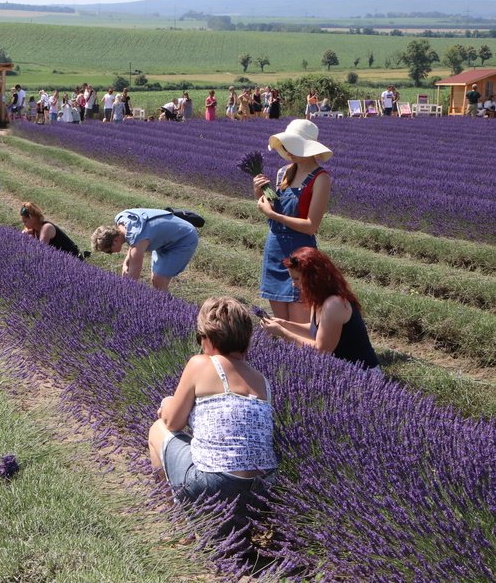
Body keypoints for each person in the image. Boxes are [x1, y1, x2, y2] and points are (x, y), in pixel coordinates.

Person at [147, 297, 277, 517]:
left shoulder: (200, 363)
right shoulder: (262, 381)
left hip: (213, 485)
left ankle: (179, 523)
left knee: (157, 429)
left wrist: (167, 403)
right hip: (261, 491)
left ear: (208, 337)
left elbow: (173, 422)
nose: (200, 344)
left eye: (200, 337)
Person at [253, 119, 332, 323]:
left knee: (298, 325)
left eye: (292, 145)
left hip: (300, 254)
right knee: (281, 325)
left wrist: (273, 215)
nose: (287, 150)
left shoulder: (320, 178)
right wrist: (258, 194)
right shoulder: (283, 172)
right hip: (275, 249)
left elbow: (311, 226)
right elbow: (272, 209)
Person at [261, 248, 379, 370]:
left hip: (360, 374)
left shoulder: (334, 305)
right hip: (339, 369)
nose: (293, 284)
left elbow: (321, 351)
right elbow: (316, 330)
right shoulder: (319, 299)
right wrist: (284, 324)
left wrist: (282, 332)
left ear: (313, 279)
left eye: (296, 279)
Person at [91, 208, 199, 291]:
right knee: (155, 279)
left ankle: (170, 311)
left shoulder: (138, 241)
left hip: (183, 238)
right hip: (165, 239)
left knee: (159, 281)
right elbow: (132, 239)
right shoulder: (122, 220)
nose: (110, 253)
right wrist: (126, 263)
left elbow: (133, 279)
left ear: (115, 241)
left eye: (108, 251)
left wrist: (122, 294)